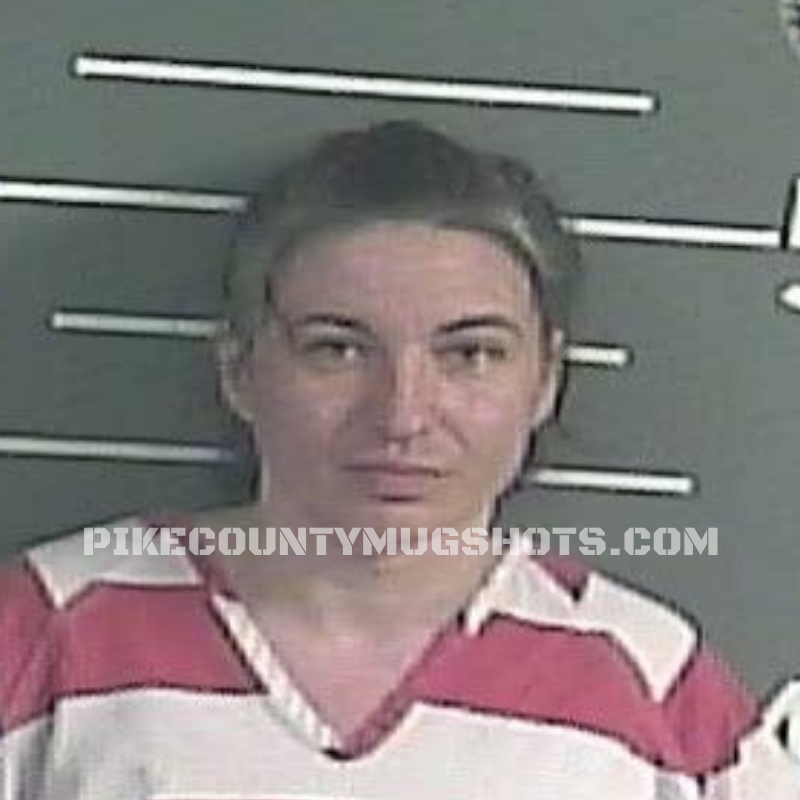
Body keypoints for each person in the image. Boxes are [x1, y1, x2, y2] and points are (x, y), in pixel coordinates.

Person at [0, 119, 791, 799]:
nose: (402, 415)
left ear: (545, 380)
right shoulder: (46, 630)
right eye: (337, 349)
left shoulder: (653, 680)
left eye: (471, 354)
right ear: (240, 369)